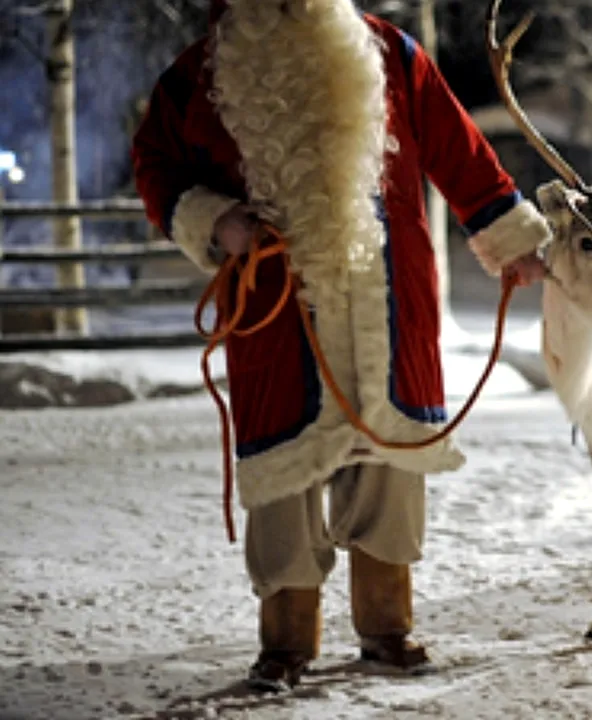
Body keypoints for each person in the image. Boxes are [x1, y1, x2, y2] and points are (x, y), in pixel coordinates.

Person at [131, 0, 549, 692]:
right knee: (283, 471)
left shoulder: (392, 53)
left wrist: (510, 238)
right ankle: (286, 639)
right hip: (271, 306)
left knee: (389, 459)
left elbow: (456, 145)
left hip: (386, 297)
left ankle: (387, 627)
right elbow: (156, 166)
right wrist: (216, 220)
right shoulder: (195, 75)